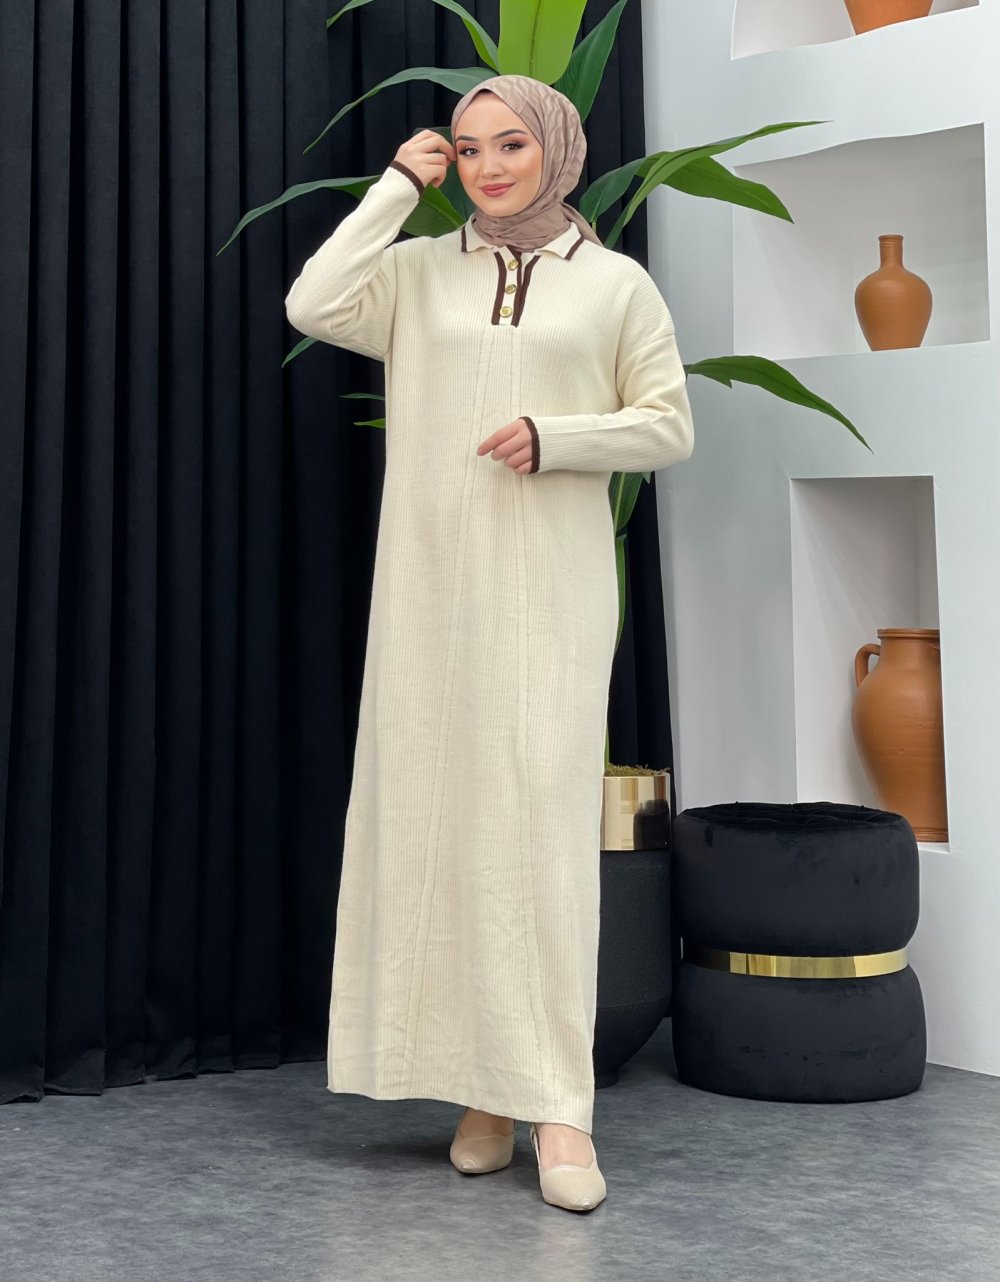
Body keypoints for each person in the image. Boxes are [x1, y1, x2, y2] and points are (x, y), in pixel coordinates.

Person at [285, 73, 694, 1213]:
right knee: (443, 828)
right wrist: (393, 188)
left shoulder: (614, 284)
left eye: (510, 143)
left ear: (556, 147)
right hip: (428, 594)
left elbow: (667, 424)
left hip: (551, 596)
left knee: (539, 842)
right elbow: (313, 302)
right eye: (467, 150)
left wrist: (558, 437)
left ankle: (561, 1109)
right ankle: (485, 1094)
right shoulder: (418, 273)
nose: (488, 166)